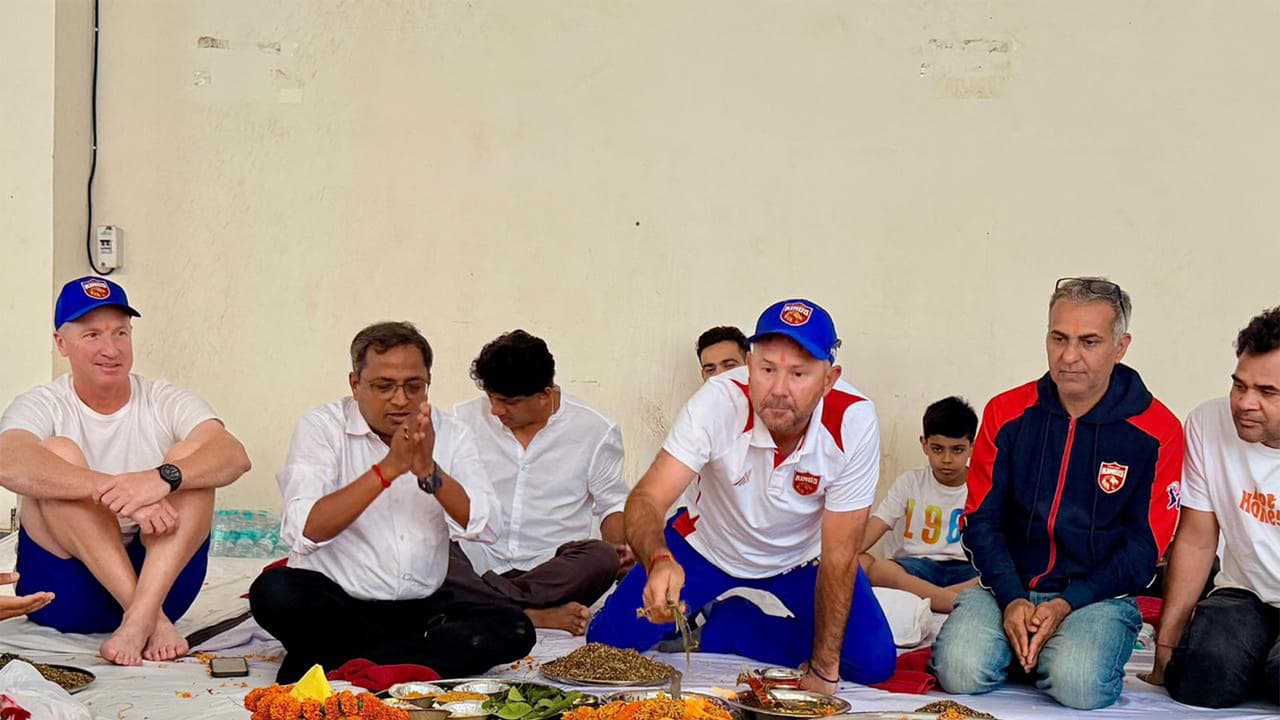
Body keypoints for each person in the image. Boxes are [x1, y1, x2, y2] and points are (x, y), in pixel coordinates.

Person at [588, 299, 896, 692]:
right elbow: (647, 498)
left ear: (829, 379)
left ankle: (735, 625)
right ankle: (706, 610)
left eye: (799, 373)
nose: (780, 390)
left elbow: (840, 553)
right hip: (707, 546)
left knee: (872, 663)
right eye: (767, 369)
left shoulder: (854, 420)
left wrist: (822, 671)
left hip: (800, 559)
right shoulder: (718, 401)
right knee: (606, 648)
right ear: (750, 366)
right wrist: (659, 559)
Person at [930, 277, 1184, 710]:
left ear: (1121, 346)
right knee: (959, 672)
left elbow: (1146, 548)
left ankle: (1044, 652)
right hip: (1005, 591)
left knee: (1078, 685)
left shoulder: (1157, 430)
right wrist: (1011, 599)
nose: (1069, 356)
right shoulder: (1005, 413)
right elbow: (982, 521)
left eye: (1089, 342)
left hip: (1097, 599)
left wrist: (1068, 603)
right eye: (1058, 337)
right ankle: (1028, 646)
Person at [247, 322, 534, 682]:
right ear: (355, 384)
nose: (400, 400)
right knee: (273, 593)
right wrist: (389, 469)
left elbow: (487, 526)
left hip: (421, 606)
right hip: (338, 602)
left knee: (515, 628)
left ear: (428, 382)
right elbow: (305, 530)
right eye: (383, 386)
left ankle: (339, 660)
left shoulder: (452, 433)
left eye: (414, 387)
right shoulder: (321, 428)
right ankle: (408, 661)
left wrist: (429, 471)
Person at [0, 276, 252, 666]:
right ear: (61, 343)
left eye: (121, 332)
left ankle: (138, 619)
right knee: (58, 453)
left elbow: (233, 455)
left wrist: (161, 479)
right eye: (92, 335)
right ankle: (147, 617)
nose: (111, 348)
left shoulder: (163, 398)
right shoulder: (44, 403)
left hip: (163, 585)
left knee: (191, 459)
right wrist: (119, 495)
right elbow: (7, 460)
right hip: (66, 594)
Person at [444, 330, 630, 636]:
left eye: (508, 402)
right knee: (431, 553)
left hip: (551, 571)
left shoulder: (595, 431)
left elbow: (612, 504)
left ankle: (482, 604)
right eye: (490, 397)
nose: (495, 410)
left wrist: (619, 546)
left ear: (545, 394)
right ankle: (532, 615)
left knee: (601, 557)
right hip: (477, 560)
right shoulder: (461, 420)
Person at [1143, 306, 1280, 708]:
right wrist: (1166, 644)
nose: (1244, 403)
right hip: (1245, 594)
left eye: (1267, 392)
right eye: (1239, 385)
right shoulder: (1208, 423)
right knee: (1200, 677)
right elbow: (1198, 541)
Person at [859, 397, 979, 613]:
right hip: (917, 568)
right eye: (937, 449)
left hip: (966, 570)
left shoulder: (984, 487)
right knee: (873, 567)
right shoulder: (910, 482)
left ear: (972, 446)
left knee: (1001, 576)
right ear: (924, 444)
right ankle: (951, 601)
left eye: (957, 450)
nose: (947, 459)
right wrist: (841, 555)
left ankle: (931, 599)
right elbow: (876, 526)